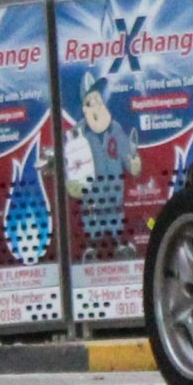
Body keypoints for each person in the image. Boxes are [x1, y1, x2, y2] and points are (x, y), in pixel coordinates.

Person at [66, 71, 142, 260]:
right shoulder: (79, 133)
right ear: (84, 107)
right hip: (91, 190)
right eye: (92, 101)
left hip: (114, 187)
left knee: (114, 214)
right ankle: (92, 248)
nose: (97, 104)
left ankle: (118, 244)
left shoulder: (115, 128)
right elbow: (72, 160)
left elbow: (125, 151)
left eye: (99, 99)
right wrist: (72, 181)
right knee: (93, 216)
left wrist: (132, 161)